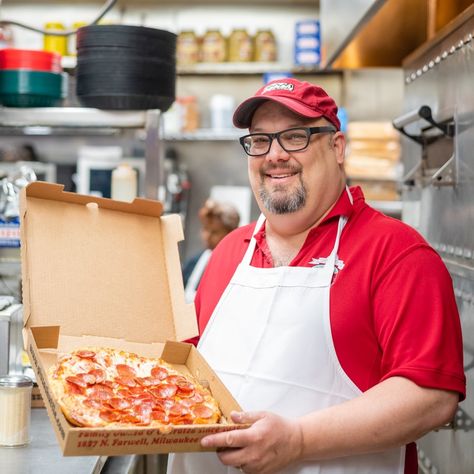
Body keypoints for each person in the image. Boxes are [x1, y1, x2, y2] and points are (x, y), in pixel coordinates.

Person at [167, 78, 465, 474]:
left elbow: (430, 395)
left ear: (337, 148)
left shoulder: (397, 254)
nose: (274, 155)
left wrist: (299, 440)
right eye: (259, 140)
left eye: (295, 137)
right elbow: (185, 367)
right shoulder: (227, 252)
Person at [182, 198, 240, 303]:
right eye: (205, 229)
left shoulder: (237, 268)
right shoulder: (194, 262)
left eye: (214, 232)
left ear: (231, 233)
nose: (207, 236)